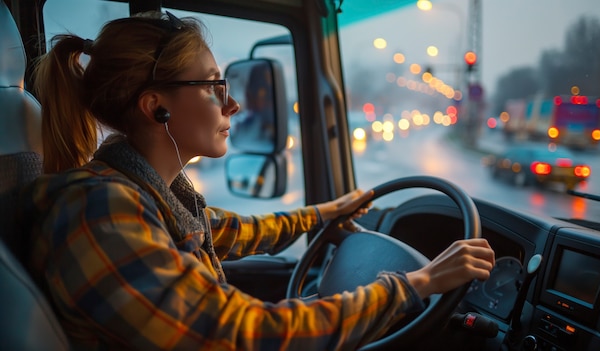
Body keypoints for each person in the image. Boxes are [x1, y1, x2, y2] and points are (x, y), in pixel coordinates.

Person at [21, 11, 495, 351]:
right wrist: (419, 282)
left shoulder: (141, 195)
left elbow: (233, 231)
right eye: (211, 86)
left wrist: (325, 213)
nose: (232, 105)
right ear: (154, 106)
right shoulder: (99, 211)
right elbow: (248, 335)